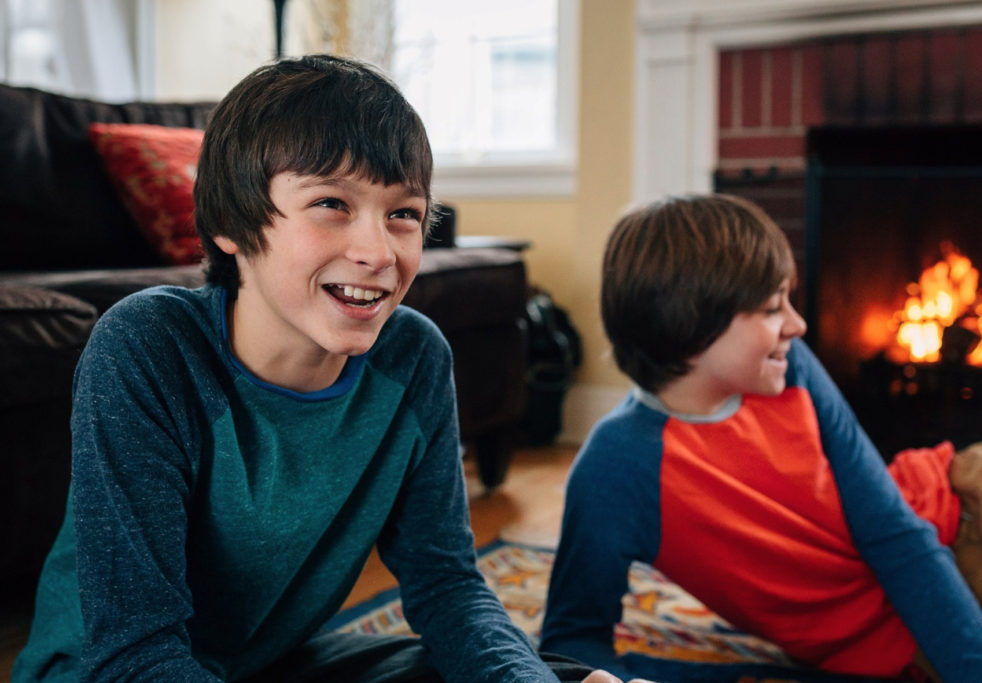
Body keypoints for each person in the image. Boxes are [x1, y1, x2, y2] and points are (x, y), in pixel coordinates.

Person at [12, 54, 636, 683]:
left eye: (404, 214)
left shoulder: (415, 356)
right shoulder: (149, 346)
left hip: (267, 666)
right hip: (117, 672)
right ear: (231, 223)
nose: (377, 252)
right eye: (332, 203)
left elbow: (447, 587)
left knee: (550, 674)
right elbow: (135, 650)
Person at [540, 193, 982, 682]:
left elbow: (894, 534)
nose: (798, 324)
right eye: (773, 308)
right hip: (911, 631)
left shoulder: (791, 369)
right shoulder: (617, 467)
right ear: (692, 326)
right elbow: (572, 640)